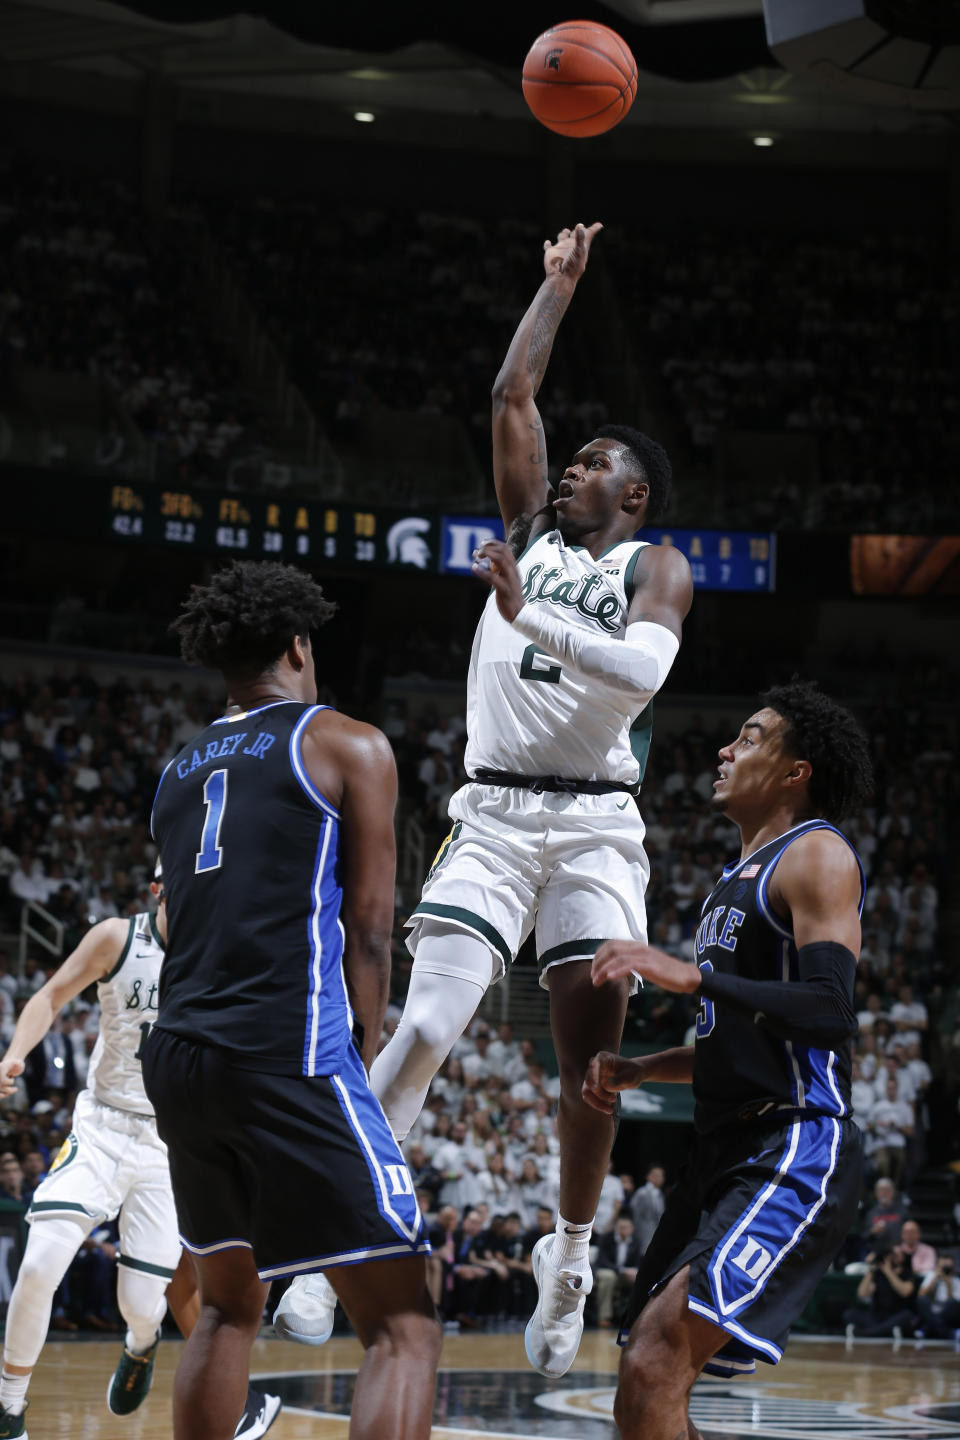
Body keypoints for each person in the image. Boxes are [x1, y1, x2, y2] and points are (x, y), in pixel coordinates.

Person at [277, 220, 692, 1380]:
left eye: (594, 458)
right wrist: (555, 288)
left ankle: (569, 1257)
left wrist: (528, 616)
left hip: (599, 826)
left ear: (636, 491)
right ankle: (333, 1244)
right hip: (497, 816)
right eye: (572, 455)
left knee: (590, 1068)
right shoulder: (527, 530)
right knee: (422, 1026)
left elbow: (647, 674)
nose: (571, 467)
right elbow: (513, 391)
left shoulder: (651, 569)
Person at [144, 560, 440, 1440]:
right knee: (403, 1322)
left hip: (180, 1053)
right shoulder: (345, 742)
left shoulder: (176, 771)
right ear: (299, 645)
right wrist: (362, 1044)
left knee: (230, 1308)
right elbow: (372, 926)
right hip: (283, 1044)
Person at [584, 680, 873, 1440]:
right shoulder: (730, 883)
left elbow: (829, 1012)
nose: (724, 748)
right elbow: (732, 1034)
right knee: (641, 1371)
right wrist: (646, 1069)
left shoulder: (816, 854)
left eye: (749, 738)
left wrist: (697, 975)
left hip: (795, 1140)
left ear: (794, 771)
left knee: (655, 1359)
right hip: (722, 1150)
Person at [0, 875, 279, 1440]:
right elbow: (51, 995)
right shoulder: (116, 939)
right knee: (37, 1268)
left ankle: (141, 1345)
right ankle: (8, 1409)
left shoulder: (220, 957)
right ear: (160, 888)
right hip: (101, 1128)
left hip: (167, 1145)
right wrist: (14, 1055)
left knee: (141, 1304)